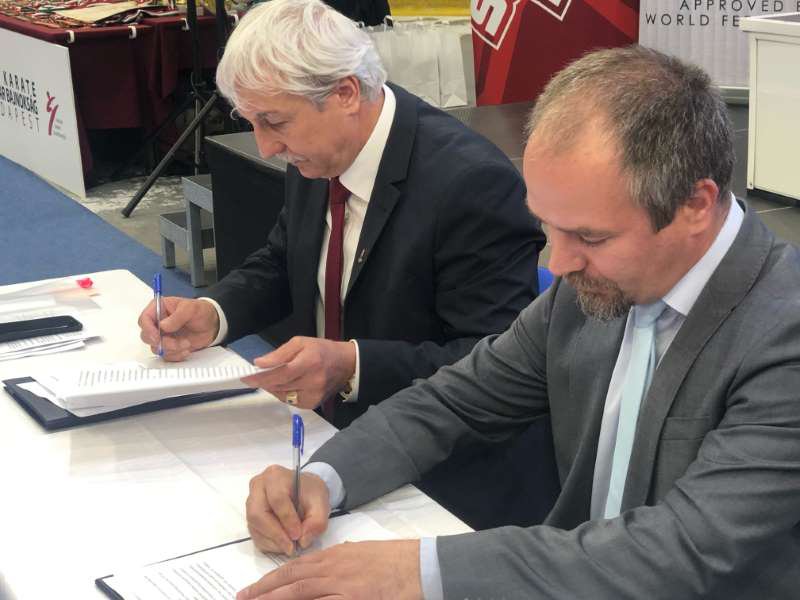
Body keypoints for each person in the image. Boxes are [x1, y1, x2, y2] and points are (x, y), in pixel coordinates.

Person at [237, 45, 800, 600]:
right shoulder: (589, 288)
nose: (559, 264)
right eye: (548, 227)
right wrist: (324, 478)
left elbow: (683, 551)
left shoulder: (782, 333)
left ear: (695, 206)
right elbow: (454, 400)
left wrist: (422, 571)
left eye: (590, 236)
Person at [137, 0, 544, 430]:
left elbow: (497, 362)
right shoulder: (324, 149)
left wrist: (353, 366)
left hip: (424, 441)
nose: (266, 148)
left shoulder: (470, 184)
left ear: (345, 93)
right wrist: (214, 313)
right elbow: (285, 261)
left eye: (274, 122)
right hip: (319, 425)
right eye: (251, 121)